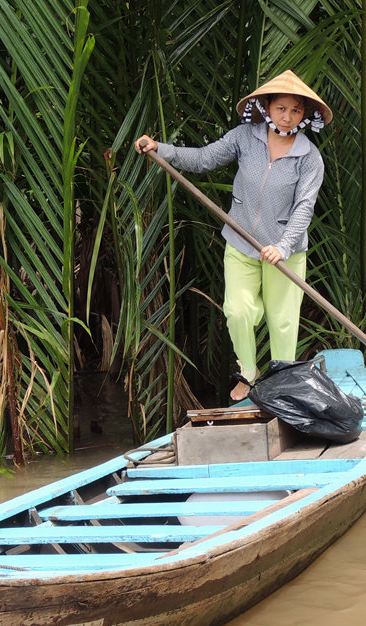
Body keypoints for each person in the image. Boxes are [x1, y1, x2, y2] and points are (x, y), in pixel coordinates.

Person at [135, 70, 331, 401]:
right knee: (238, 310)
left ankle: (282, 382)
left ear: (305, 116)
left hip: (285, 252)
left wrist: (282, 247)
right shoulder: (244, 137)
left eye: (296, 111)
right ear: (267, 107)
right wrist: (161, 149)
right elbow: (204, 158)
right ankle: (249, 373)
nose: (287, 117)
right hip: (241, 243)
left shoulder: (310, 159)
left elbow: (304, 209)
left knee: (282, 321)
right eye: (281, 108)